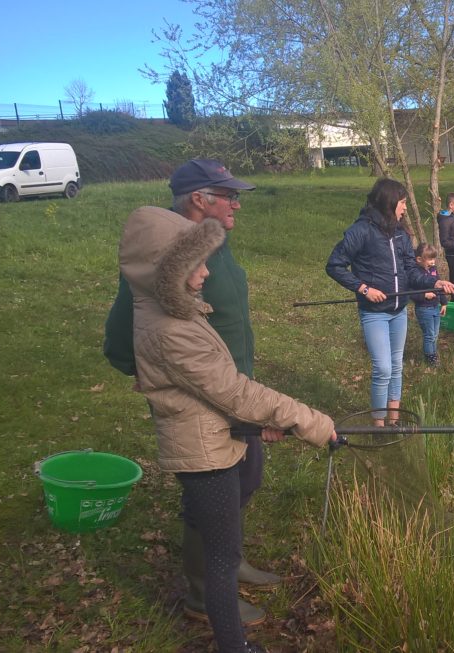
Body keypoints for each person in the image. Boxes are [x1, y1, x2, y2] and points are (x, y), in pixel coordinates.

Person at [118, 207, 335, 653]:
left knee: (226, 546)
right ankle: (235, 646)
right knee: (221, 559)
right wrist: (309, 421)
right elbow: (233, 393)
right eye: (195, 265)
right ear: (164, 272)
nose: (205, 272)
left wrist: (257, 425)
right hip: (204, 455)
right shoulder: (168, 330)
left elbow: (212, 397)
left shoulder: (170, 311)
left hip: (213, 436)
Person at [103, 160, 283, 627]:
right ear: (198, 200)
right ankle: (204, 593)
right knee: (211, 491)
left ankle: (229, 562)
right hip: (198, 391)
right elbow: (124, 329)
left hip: (235, 385)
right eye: (228, 196)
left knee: (247, 478)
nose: (236, 203)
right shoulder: (169, 252)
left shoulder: (215, 244)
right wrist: (138, 369)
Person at [326, 178, 454, 425]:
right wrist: (364, 289)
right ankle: (378, 424)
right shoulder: (361, 231)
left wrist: (435, 283)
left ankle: (394, 421)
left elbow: (410, 270)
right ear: (389, 202)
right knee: (383, 369)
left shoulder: (400, 233)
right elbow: (334, 265)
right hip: (374, 312)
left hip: (399, 310)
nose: (405, 208)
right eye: (403, 203)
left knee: (396, 366)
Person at [412, 243, 448, 366]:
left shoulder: (433, 270)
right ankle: (430, 357)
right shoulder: (415, 273)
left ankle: (433, 353)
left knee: (436, 333)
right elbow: (410, 294)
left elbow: (440, 287)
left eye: (434, 259)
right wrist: (424, 295)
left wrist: (444, 303)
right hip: (423, 308)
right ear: (419, 260)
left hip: (435, 307)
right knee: (429, 334)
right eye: (429, 259)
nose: (433, 262)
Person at [437, 192, 454, 301]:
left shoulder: (452, 217)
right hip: (453, 255)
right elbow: (444, 242)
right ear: (451, 205)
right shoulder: (445, 220)